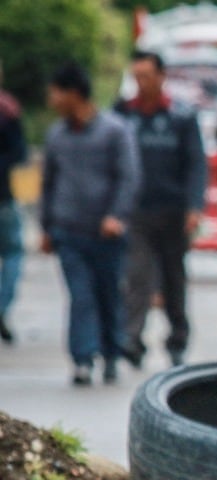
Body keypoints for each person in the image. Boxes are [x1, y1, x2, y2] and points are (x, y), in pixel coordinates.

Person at [39, 63, 140, 386]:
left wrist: (117, 215)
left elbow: (128, 177)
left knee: (109, 293)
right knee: (80, 295)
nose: (52, 99)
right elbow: (48, 183)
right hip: (69, 230)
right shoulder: (57, 135)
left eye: (56, 92)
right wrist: (46, 225)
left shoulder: (115, 130)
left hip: (107, 232)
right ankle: (83, 358)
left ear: (73, 93)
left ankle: (111, 352)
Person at [115, 50, 207, 368]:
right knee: (137, 276)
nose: (141, 83)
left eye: (147, 76)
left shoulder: (181, 116)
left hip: (173, 211)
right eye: (136, 76)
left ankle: (177, 339)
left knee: (173, 279)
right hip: (136, 211)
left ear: (161, 77)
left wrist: (194, 205)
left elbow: (196, 163)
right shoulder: (123, 115)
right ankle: (131, 338)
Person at [0, 61, 25, 345]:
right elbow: (19, 153)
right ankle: (2, 304)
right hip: (3, 196)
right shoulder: (7, 109)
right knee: (13, 253)